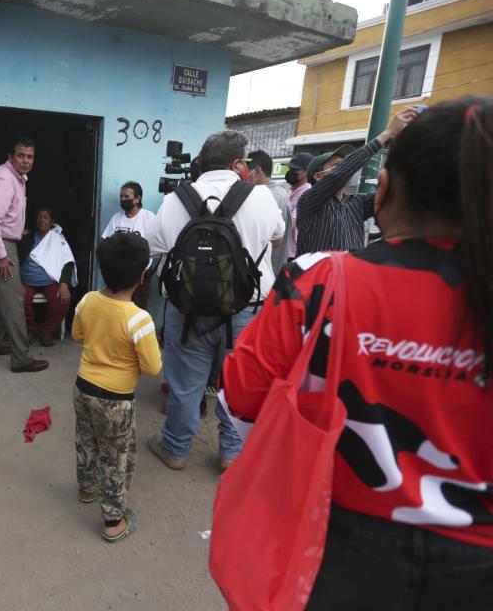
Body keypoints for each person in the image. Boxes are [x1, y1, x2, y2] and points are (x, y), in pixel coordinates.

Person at [221, 96, 493, 610]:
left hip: (337, 547)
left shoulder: (319, 280)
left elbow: (242, 394)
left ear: (384, 191)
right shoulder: (316, 202)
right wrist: (381, 141)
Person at [145, 130, 284, 471]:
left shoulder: (177, 199)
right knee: (237, 385)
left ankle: (175, 450)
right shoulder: (261, 196)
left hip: (187, 311)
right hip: (245, 311)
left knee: (185, 384)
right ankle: (230, 454)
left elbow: (153, 246)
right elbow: (278, 238)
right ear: (238, 164)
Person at [72, 233, 161, 542]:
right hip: (116, 401)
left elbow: (78, 336)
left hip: (83, 387)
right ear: (141, 275)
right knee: (116, 458)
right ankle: (113, 521)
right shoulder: (139, 320)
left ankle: (87, 489)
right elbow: (152, 368)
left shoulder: (87, 300)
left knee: (86, 440)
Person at [296, 106, 420, 255]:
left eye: (344, 163)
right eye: (337, 165)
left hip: (351, 277)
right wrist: (388, 133)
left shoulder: (357, 203)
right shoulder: (309, 200)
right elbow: (339, 175)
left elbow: (392, 189)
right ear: (318, 176)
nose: (344, 168)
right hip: (317, 277)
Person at [0, 137, 48, 373]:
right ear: (10, 157)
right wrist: (2, 255)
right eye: (21, 155)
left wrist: (17, 230)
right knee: (15, 299)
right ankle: (21, 358)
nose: (26, 160)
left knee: (5, 295)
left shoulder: (16, 179)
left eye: (30, 156)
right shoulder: (5, 179)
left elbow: (3, 216)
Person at [18, 207, 77, 347]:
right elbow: (15, 260)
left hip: (50, 281)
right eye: (39, 217)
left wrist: (64, 284)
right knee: (19, 299)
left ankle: (46, 332)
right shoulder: (26, 238)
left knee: (63, 300)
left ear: (52, 222)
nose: (41, 220)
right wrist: (17, 282)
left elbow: (67, 262)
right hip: (26, 280)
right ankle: (30, 330)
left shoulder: (58, 240)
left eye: (45, 217)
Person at [101, 181, 156, 310]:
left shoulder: (148, 217)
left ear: (137, 199)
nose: (122, 199)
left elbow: (154, 246)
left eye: (126, 196)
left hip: (140, 274)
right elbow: (106, 242)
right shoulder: (116, 218)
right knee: (116, 309)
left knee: (137, 309)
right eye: (121, 196)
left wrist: (145, 269)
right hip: (118, 274)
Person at [249, 150, 292, 277]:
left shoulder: (268, 196)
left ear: (257, 172)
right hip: (276, 266)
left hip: (269, 268)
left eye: (246, 170)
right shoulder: (280, 192)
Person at [286, 152, 313, 260]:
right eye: (289, 169)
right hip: (287, 250)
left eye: (295, 170)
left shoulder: (306, 192)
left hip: (295, 253)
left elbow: (290, 225)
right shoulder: (290, 190)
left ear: (307, 171)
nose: (290, 172)